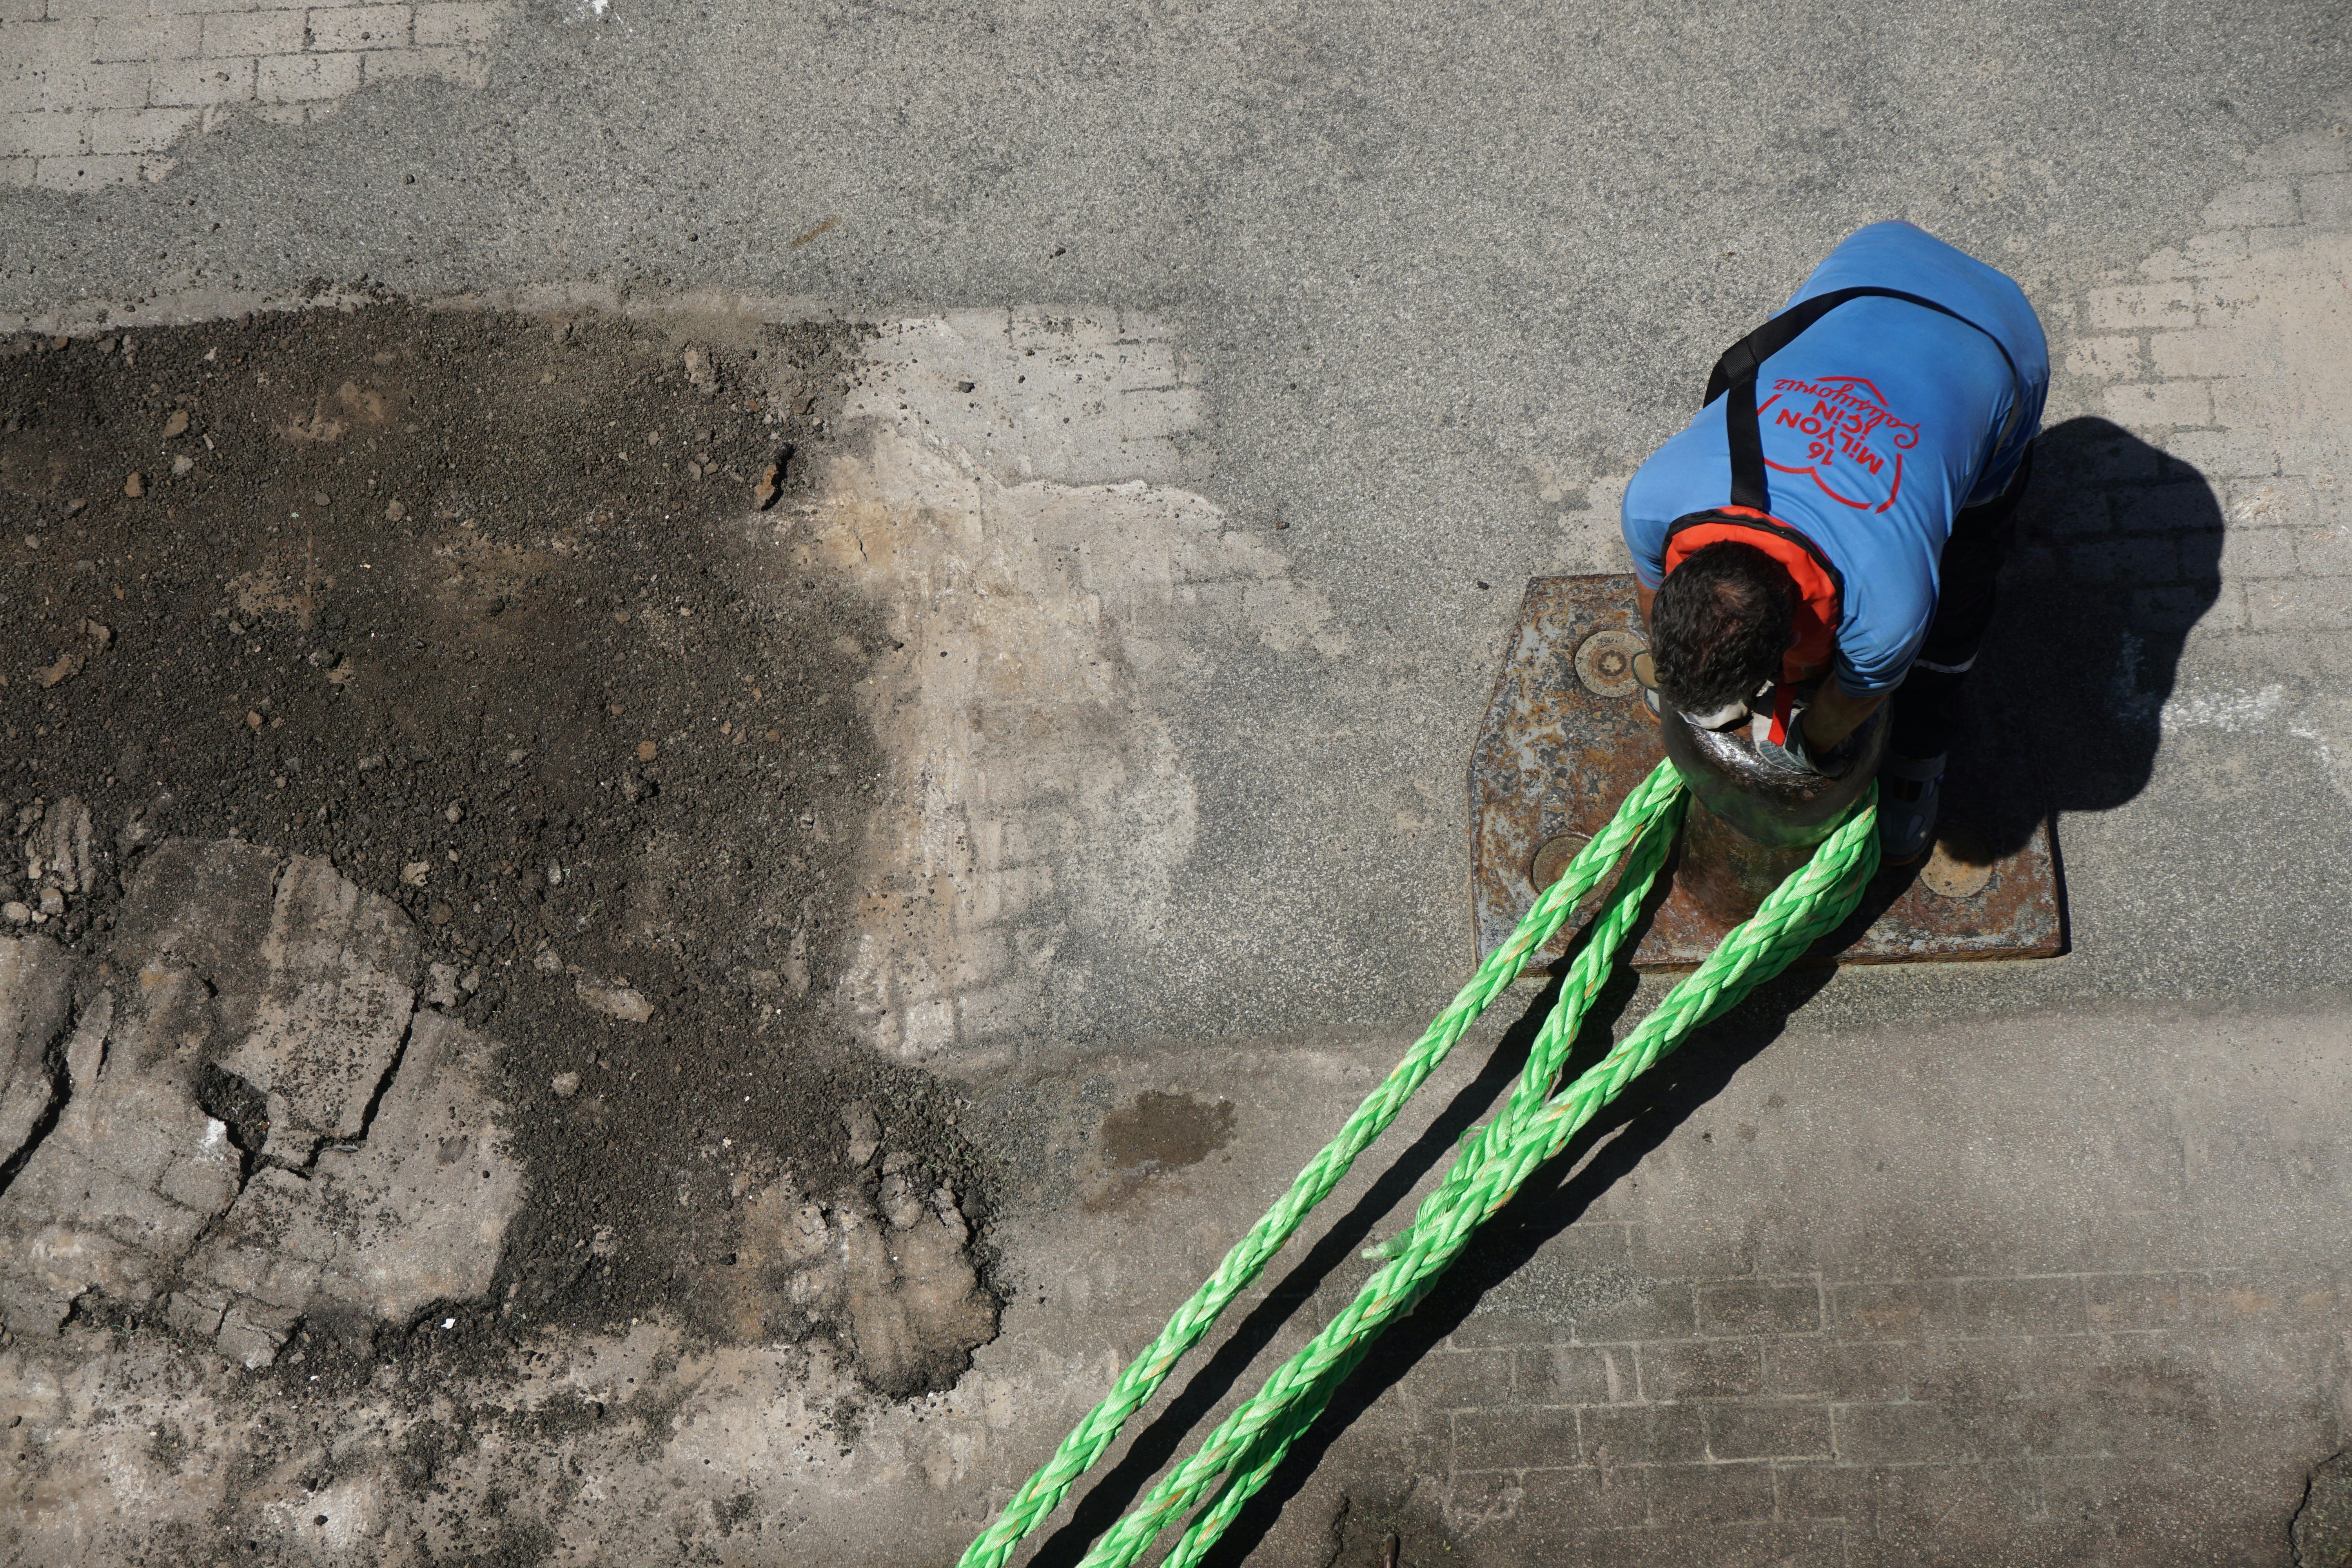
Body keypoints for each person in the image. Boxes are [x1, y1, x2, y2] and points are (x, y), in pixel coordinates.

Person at [1619, 221, 2049, 864]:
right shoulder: (1655, 500)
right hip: (1871, 265)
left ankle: (1921, 752)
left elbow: (1851, 701)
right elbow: (1653, 595)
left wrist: (1808, 747)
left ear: (1791, 640)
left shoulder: (1885, 608)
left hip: (2001, 341)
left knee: (1958, 595)